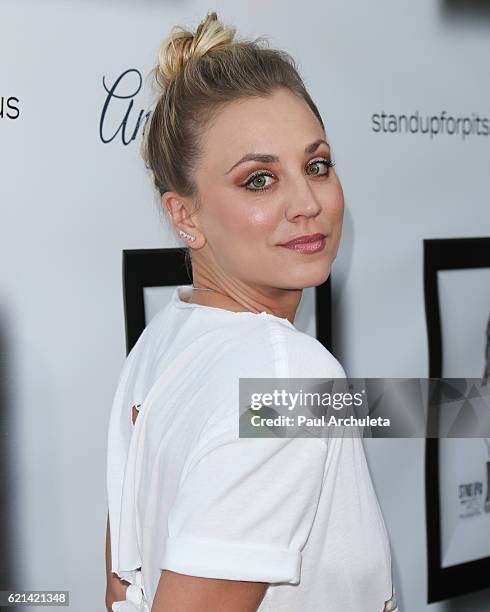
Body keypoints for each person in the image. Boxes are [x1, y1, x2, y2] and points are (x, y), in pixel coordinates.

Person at [105, 11, 398, 612]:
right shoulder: (287, 375)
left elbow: (121, 586)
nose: (307, 202)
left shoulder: (164, 337)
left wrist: (462, 404)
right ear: (185, 216)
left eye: (317, 165)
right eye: (259, 180)